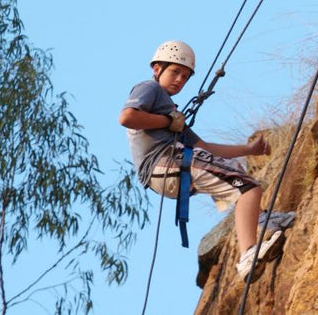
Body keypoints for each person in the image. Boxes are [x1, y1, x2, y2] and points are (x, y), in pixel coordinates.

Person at [119, 40, 283, 281]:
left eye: (185, 77)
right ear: (157, 69)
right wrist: (168, 122)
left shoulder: (172, 113)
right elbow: (127, 117)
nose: (179, 80)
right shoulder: (149, 89)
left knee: (236, 173)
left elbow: (204, 148)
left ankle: (262, 221)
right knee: (248, 188)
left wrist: (249, 149)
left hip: (171, 169)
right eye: (175, 71)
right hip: (167, 163)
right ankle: (249, 253)